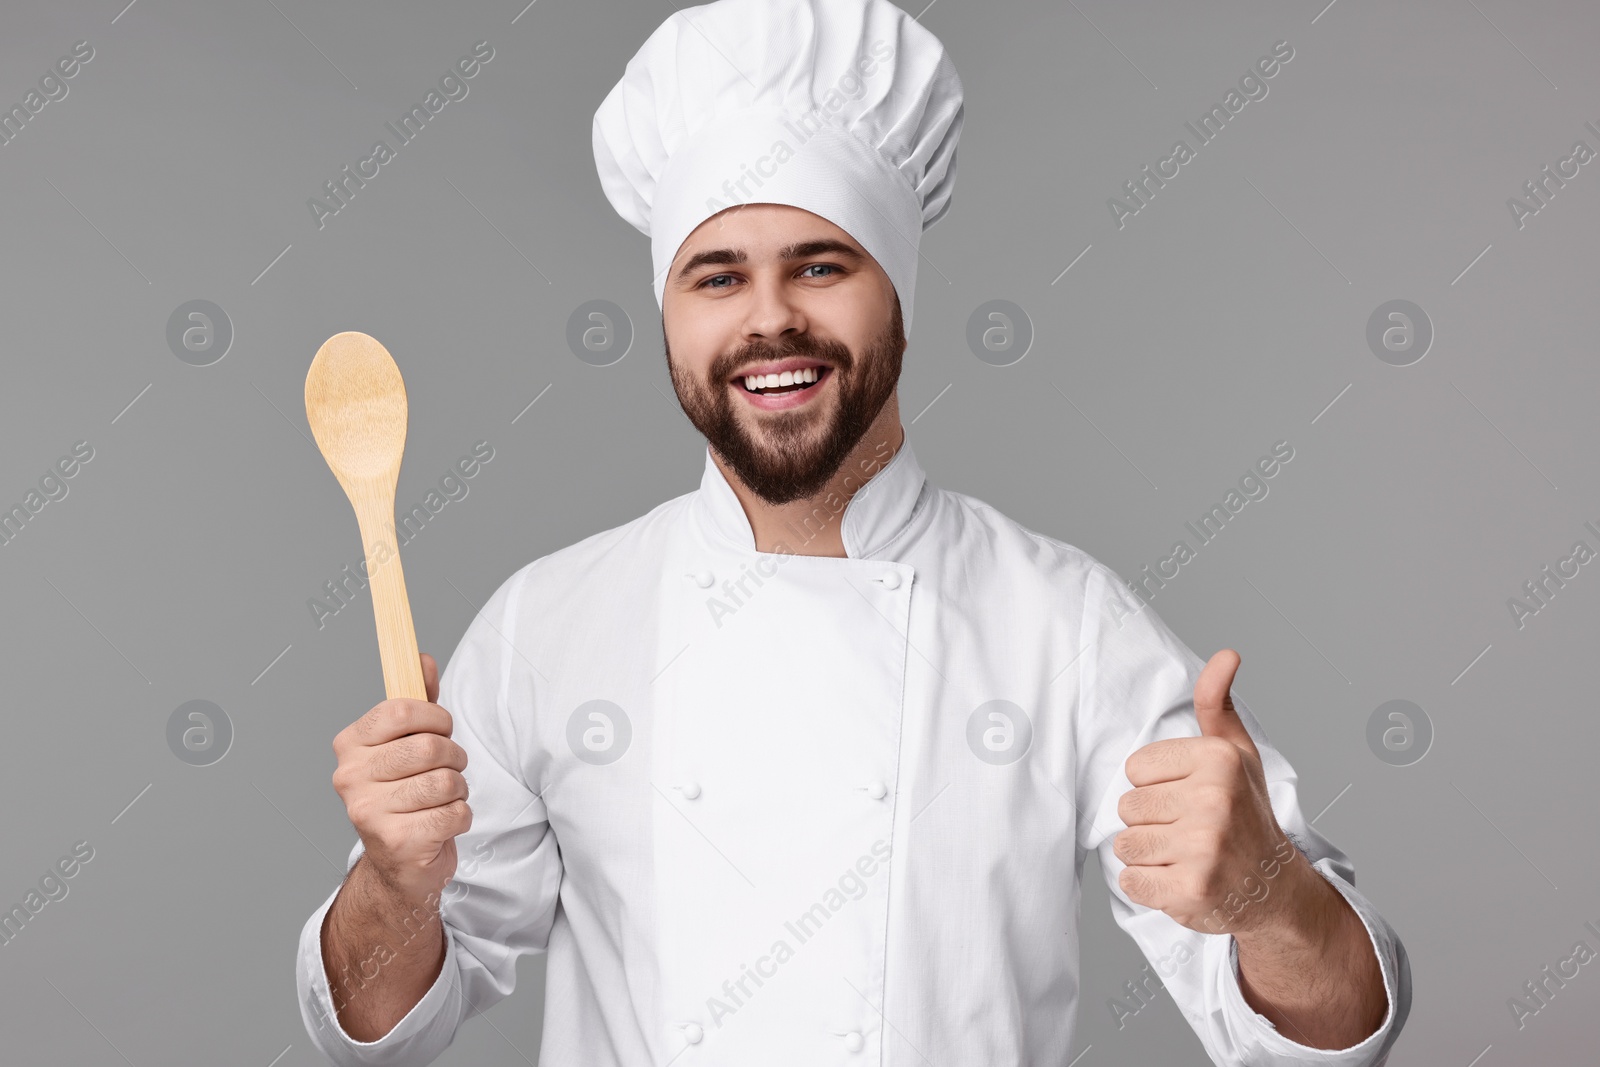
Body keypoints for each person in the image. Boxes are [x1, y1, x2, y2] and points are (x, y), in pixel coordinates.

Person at [295, 1, 1411, 1063]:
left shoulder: (1060, 620)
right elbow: (391, 1022)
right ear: (670, 315)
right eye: (717, 275)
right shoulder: (549, 623)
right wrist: (395, 883)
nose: (769, 318)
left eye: (820, 265)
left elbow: (1333, 1030)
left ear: (898, 292)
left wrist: (1270, 895)